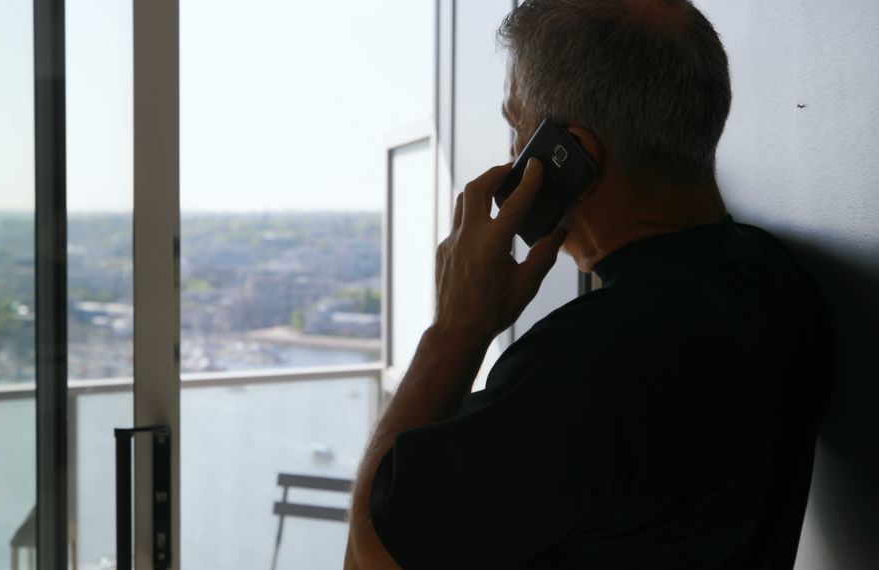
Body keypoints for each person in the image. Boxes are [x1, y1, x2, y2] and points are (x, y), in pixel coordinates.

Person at [345, 0, 833, 568]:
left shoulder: (592, 361)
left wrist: (455, 330)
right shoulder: (780, 282)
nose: (510, 158)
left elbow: (369, 557)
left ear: (570, 155)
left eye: (517, 130)